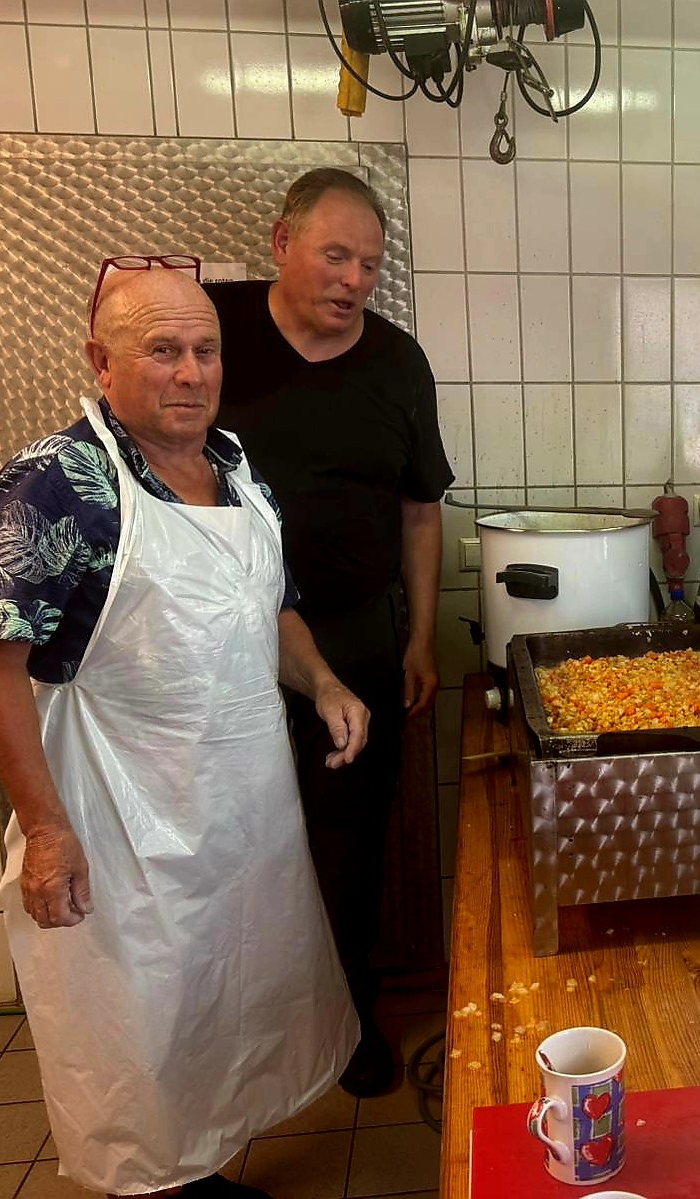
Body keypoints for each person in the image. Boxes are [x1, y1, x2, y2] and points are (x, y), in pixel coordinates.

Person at [0, 265, 367, 1197]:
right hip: (120, 821)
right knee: (140, 1033)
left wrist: (322, 682)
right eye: (162, 350)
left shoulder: (236, 466)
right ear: (100, 361)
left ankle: (199, 1177)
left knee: (222, 1015)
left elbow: (268, 604)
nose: (191, 372)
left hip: (239, 808)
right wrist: (48, 830)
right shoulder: (55, 483)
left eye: (205, 350)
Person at [205, 168, 454, 1098]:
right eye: (335, 255)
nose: (354, 280)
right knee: (229, 838)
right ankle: (238, 1036)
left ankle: (349, 1021)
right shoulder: (214, 334)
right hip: (224, 638)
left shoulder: (397, 364)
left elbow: (421, 512)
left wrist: (419, 637)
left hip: (354, 635)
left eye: (370, 265)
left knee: (349, 841)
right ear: (282, 243)